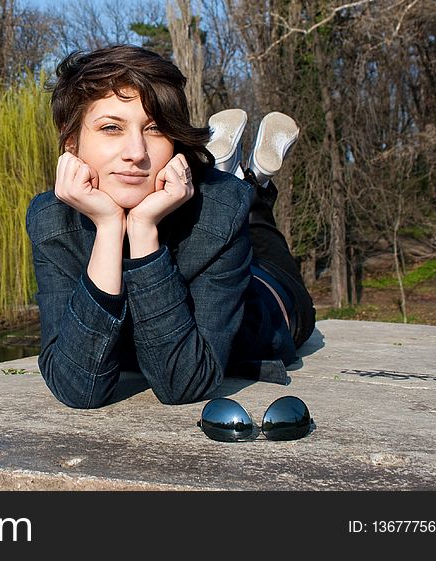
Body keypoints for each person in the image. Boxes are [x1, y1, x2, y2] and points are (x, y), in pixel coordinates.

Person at [25, 44, 316, 409]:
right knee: (231, 200)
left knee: (256, 220)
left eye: (155, 129)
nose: (136, 152)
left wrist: (144, 230)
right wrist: (110, 228)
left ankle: (255, 186)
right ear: (71, 142)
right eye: (111, 128)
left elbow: (183, 384)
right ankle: (240, 175)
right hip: (211, 217)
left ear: (175, 140)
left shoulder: (220, 210)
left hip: (265, 296)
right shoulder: (52, 218)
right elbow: (77, 387)